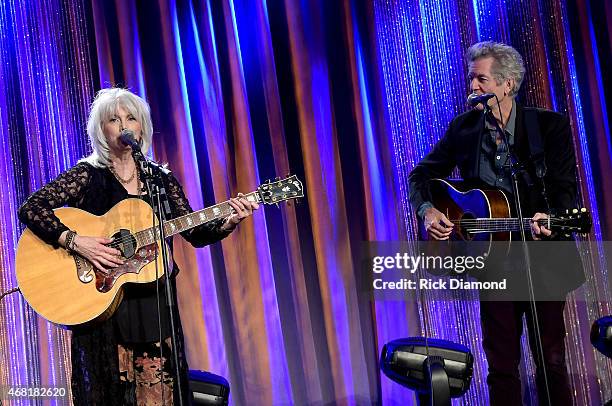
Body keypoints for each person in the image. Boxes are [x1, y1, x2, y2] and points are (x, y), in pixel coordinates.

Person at [18, 87, 259, 405]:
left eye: (131, 117)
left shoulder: (160, 181)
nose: (123, 125)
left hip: (155, 309)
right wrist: (78, 242)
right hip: (103, 311)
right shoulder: (88, 177)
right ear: (101, 130)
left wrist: (229, 220)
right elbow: (32, 208)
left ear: (142, 126)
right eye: (113, 119)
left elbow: (194, 232)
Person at [408, 42, 584, 405]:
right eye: (471, 79)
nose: (472, 87)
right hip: (492, 261)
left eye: (481, 79)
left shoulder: (549, 126)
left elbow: (565, 188)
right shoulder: (464, 129)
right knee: (502, 365)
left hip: (544, 261)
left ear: (508, 84)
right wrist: (428, 210)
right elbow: (421, 175)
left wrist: (552, 217)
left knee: (551, 361)